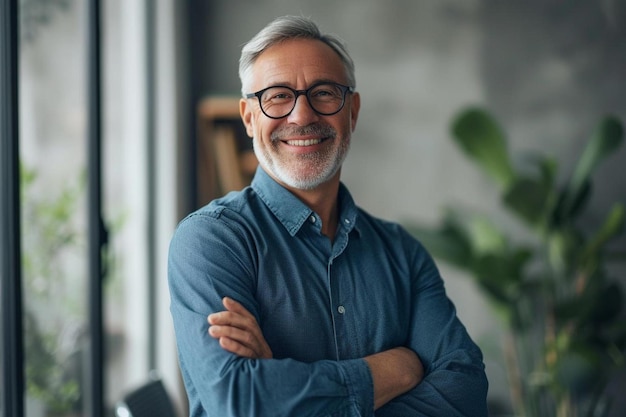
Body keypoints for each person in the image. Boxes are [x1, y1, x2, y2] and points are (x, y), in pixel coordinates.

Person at [168, 15, 488, 417]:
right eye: (278, 96)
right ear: (249, 118)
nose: (302, 116)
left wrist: (284, 387)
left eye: (323, 93)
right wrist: (398, 369)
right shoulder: (211, 242)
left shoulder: (403, 255)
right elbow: (240, 401)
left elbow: (466, 395)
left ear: (351, 112)